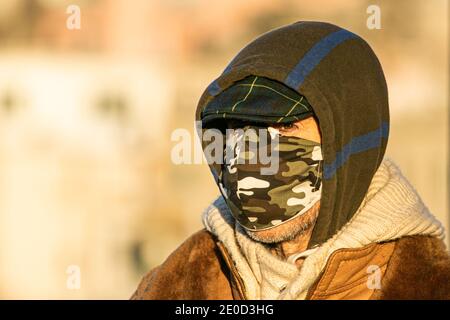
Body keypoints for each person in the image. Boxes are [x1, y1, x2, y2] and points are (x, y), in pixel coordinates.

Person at [131, 21, 450, 300]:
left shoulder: (421, 284)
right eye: (237, 129)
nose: (253, 154)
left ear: (346, 138)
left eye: (284, 127)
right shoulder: (182, 281)